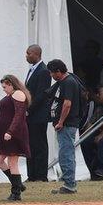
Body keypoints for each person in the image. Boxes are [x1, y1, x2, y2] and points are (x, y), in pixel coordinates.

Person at [0, 75, 31, 201]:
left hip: (14, 134)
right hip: (5, 134)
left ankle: (16, 193)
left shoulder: (18, 94)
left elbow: (19, 115)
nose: (3, 89)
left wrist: (10, 131)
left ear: (10, 84)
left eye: (5, 87)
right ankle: (18, 184)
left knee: (12, 162)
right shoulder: (11, 95)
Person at [48, 59, 81, 194]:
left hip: (67, 124)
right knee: (65, 152)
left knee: (66, 153)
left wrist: (61, 121)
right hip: (65, 124)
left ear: (58, 71)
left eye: (52, 73)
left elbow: (67, 104)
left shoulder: (68, 82)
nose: (51, 76)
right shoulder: (67, 81)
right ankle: (68, 182)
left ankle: (70, 184)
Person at [24, 45, 52, 182]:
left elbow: (41, 95)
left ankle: (41, 175)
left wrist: (29, 109)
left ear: (36, 54)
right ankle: (31, 175)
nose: (26, 56)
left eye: (28, 53)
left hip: (38, 115)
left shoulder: (44, 71)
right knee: (30, 144)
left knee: (39, 145)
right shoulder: (32, 70)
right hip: (30, 115)